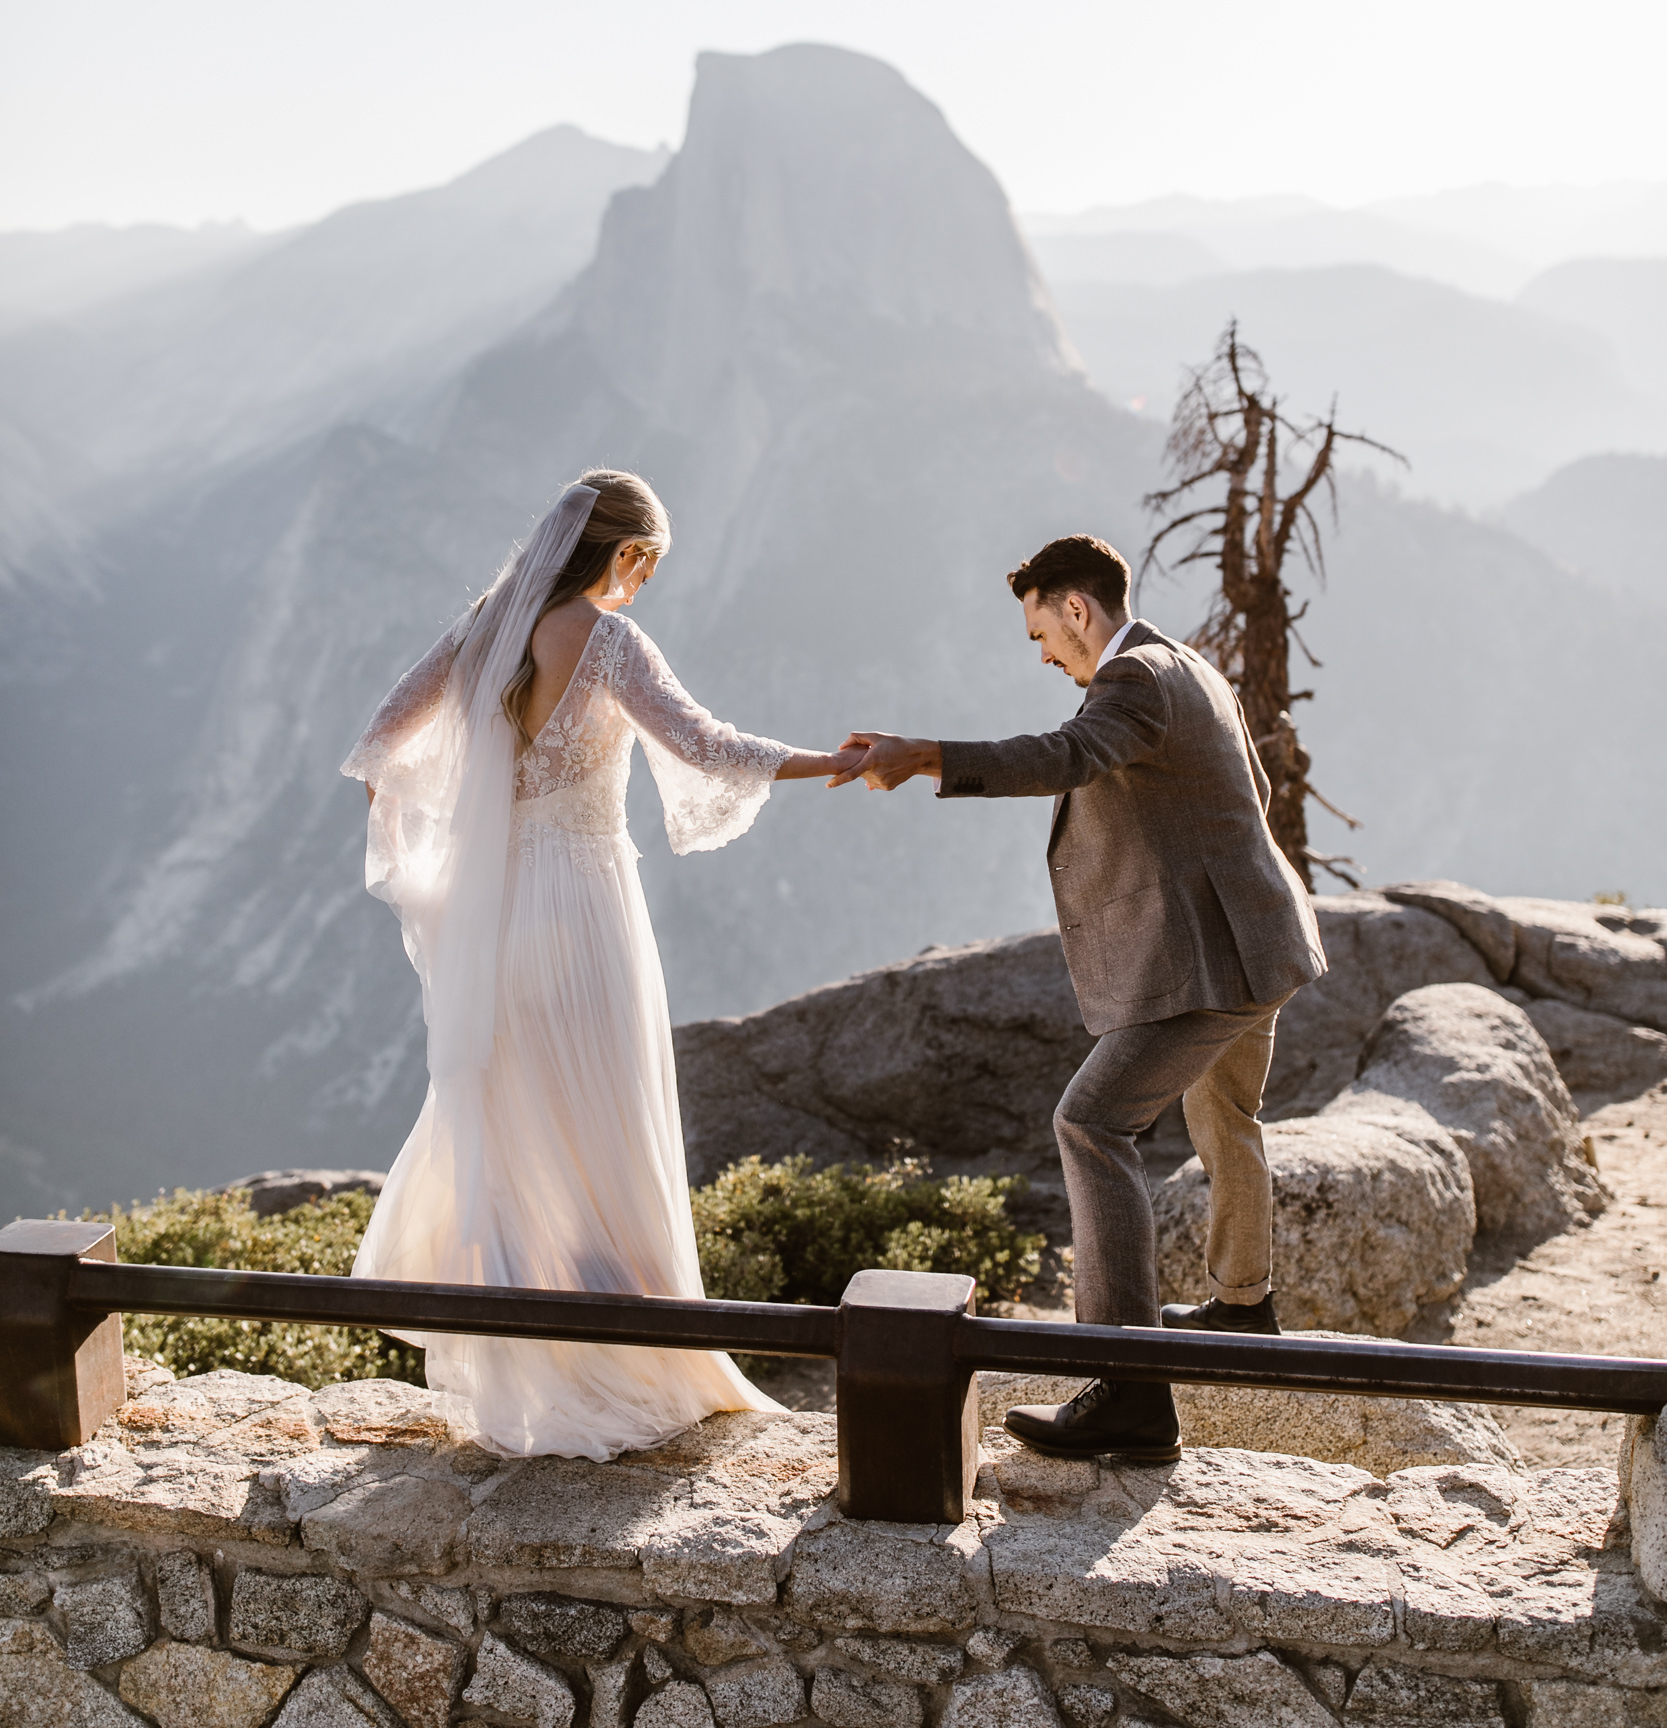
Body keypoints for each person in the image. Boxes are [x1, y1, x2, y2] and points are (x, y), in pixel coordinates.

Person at [342, 469, 860, 1460]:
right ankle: (634, 1359)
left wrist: (421, 833)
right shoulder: (608, 640)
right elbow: (703, 744)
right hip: (584, 908)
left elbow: (380, 742)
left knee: (525, 1125)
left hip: (497, 917)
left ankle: (533, 1370)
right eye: (644, 564)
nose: (641, 586)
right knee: (607, 1125)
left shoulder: (488, 630)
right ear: (620, 553)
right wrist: (825, 762)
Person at [835, 531, 1326, 1463]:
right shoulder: (1189, 664)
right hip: (1261, 941)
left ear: (1075, 608)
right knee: (1223, 1109)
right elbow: (1247, 792)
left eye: (1042, 636)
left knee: (1091, 1124)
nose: (1047, 657)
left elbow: (1064, 757)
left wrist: (924, 754)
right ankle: (1242, 1304)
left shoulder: (1131, 678)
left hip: (1216, 962)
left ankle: (1126, 1387)